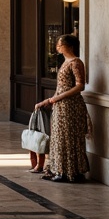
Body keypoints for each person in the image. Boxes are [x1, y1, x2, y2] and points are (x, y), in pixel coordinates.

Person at [35, 33, 90, 182]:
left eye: (61, 44)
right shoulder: (65, 62)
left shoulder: (76, 62)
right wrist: (49, 101)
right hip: (60, 105)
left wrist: (56, 98)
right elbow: (60, 87)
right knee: (59, 137)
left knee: (69, 137)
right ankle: (60, 169)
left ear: (70, 46)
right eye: (58, 44)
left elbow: (80, 85)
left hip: (71, 106)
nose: (58, 46)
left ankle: (72, 172)